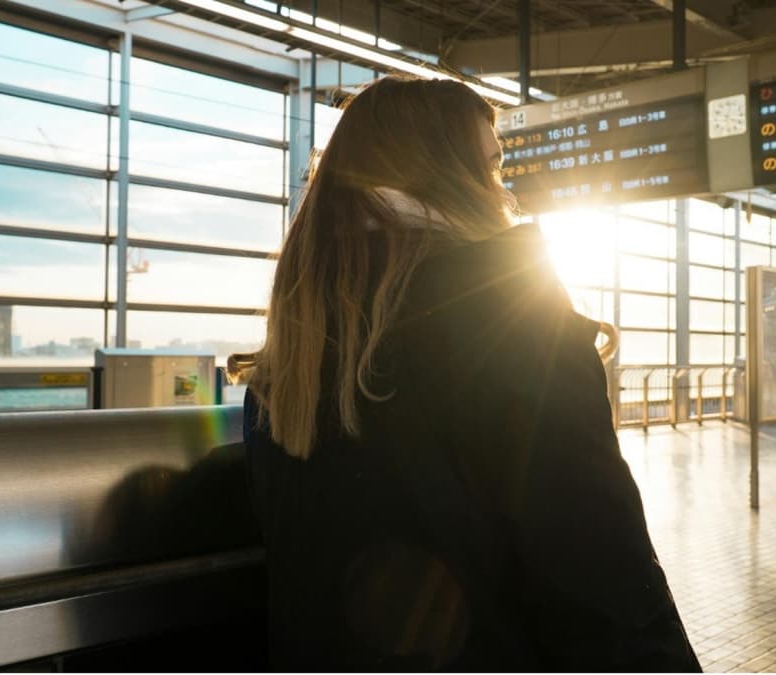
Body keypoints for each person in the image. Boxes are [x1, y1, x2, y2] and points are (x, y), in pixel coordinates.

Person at [230, 77, 700, 671]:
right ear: (450, 175)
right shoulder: (512, 319)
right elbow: (601, 574)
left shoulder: (292, 360)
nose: (502, 188)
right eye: (493, 166)